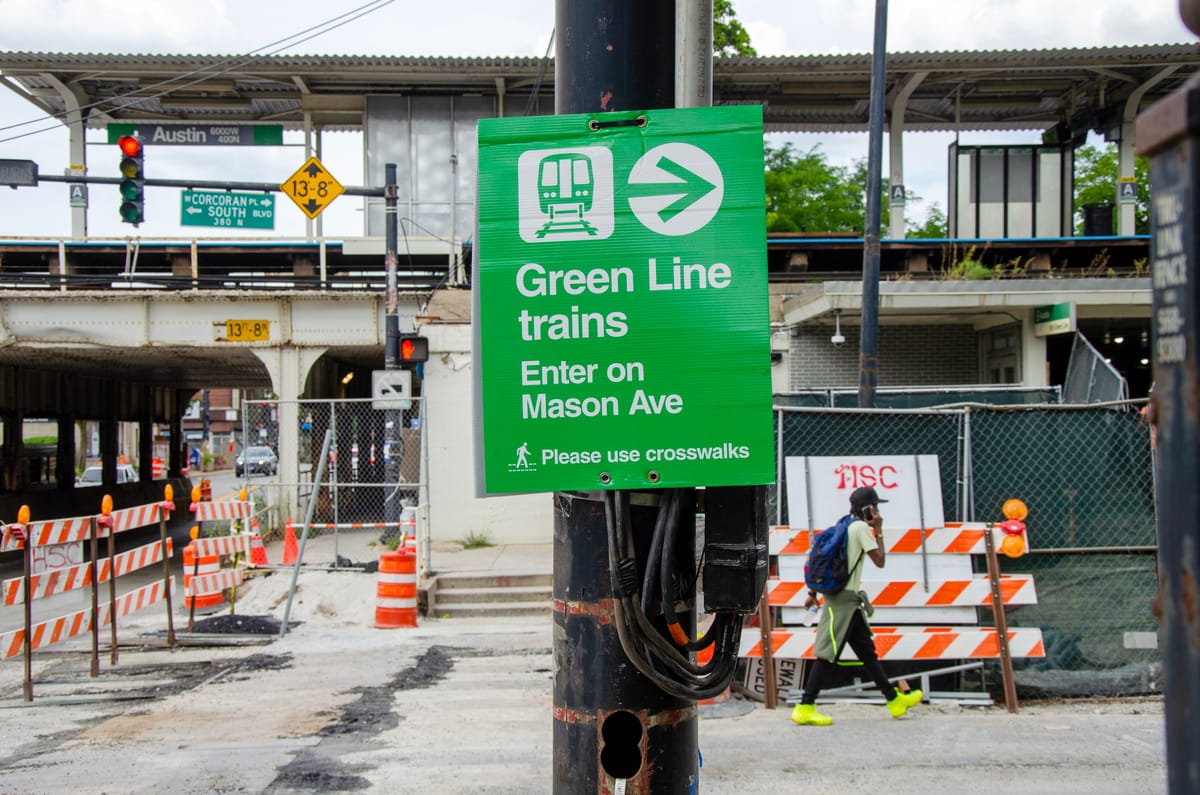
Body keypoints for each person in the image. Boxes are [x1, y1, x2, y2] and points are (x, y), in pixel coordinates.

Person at [791, 486, 924, 726]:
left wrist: (813, 594)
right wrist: (879, 529)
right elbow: (880, 561)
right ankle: (805, 706)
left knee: (867, 653)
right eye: (876, 506)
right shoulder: (861, 528)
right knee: (826, 654)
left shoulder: (843, 524)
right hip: (843, 601)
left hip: (847, 601)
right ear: (869, 508)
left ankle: (893, 700)